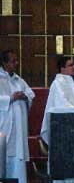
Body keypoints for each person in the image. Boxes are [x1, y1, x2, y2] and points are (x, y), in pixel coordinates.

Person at [40, 56, 74, 144]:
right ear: (62, 69)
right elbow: (62, 104)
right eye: (70, 65)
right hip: (66, 126)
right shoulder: (57, 83)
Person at [0, 50, 35, 183]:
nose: (17, 63)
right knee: (4, 157)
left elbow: (31, 94)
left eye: (17, 60)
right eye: (13, 61)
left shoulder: (18, 79)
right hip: (5, 124)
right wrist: (10, 98)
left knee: (17, 161)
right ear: (4, 62)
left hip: (18, 128)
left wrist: (25, 96)